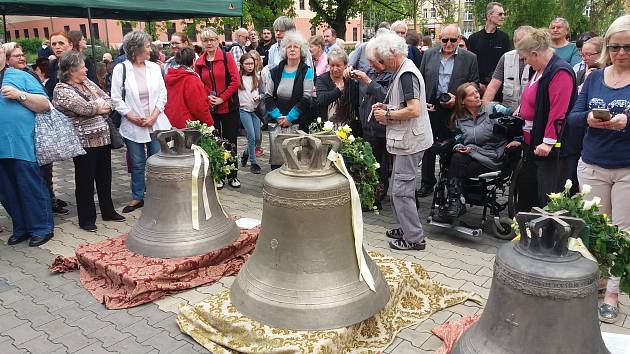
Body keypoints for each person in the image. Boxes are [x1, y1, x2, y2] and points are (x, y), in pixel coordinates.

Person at [567, 14, 630, 324]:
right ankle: (600, 279)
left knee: (621, 233)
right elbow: (574, 116)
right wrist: (590, 119)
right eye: (616, 46)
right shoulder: (593, 77)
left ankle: (613, 294)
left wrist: (627, 122)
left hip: (627, 169)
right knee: (595, 229)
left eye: (628, 47)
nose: (621, 53)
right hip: (592, 163)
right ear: (607, 47)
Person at [368, 32, 433, 251]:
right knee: (399, 186)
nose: (381, 64)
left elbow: (413, 109)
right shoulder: (402, 70)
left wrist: (387, 116)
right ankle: (405, 227)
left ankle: (414, 238)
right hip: (405, 140)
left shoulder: (406, 73)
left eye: (382, 59)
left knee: (401, 190)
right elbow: (405, 105)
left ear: (393, 53)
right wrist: (387, 107)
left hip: (409, 142)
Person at [52, 51, 125, 232]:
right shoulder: (61, 89)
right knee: (85, 181)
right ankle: (86, 219)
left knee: (105, 177)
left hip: (103, 138)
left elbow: (109, 101)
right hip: (83, 142)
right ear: (71, 70)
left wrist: (98, 107)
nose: (86, 69)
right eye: (82, 66)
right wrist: (97, 106)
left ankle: (108, 211)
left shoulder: (87, 83)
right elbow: (84, 108)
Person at [514, 28, 579, 212]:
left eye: (525, 58)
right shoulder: (539, 70)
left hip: (549, 151)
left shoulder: (560, 72)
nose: (525, 63)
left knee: (544, 199)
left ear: (535, 54)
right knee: (526, 194)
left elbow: (559, 112)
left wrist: (548, 142)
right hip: (531, 143)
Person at [111, 30, 172, 213]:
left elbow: (163, 94)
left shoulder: (154, 67)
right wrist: (131, 116)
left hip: (156, 122)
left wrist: (153, 115)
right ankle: (137, 196)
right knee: (137, 162)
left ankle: (158, 194)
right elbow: (115, 98)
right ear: (136, 48)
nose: (150, 49)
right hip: (133, 124)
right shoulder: (120, 69)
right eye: (147, 45)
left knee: (157, 160)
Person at [0, 45, 55, 247]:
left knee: (30, 186)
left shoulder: (21, 76)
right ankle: (21, 228)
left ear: (4, 57)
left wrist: (19, 95)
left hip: (22, 143)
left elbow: (44, 104)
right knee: (7, 192)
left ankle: (41, 228)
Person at [417, 24, 479, 198]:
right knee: (428, 145)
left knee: (452, 145)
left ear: (459, 39)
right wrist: (422, 103)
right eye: (445, 40)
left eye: (453, 40)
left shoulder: (469, 58)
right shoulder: (429, 55)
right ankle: (427, 183)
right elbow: (420, 80)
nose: (449, 44)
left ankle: (451, 184)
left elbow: (474, 82)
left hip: (455, 108)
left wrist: (457, 98)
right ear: (440, 39)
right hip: (432, 106)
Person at [444, 83, 513, 217]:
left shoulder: (493, 108)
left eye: (476, 92)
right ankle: (456, 200)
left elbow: (516, 119)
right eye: (472, 94)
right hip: (473, 154)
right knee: (455, 157)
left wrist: (518, 139)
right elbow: (458, 139)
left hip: (493, 156)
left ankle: (456, 199)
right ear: (462, 101)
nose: (477, 95)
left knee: (456, 167)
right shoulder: (460, 119)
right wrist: (459, 147)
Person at [349, 29, 395, 208]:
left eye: (372, 62)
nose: (369, 65)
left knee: (383, 165)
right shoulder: (374, 72)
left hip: (384, 127)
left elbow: (387, 97)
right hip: (369, 125)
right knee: (371, 162)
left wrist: (368, 81)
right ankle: (371, 196)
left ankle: (378, 197)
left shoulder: (392, 74)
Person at [195, 27, 242, 189]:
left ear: (217, 41)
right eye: (205, 40)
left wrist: (222, 97)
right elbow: (198, 84)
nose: (209, 43)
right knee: (214, 141)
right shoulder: (200, 62)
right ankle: (218, 175)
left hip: (229, 106)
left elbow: (235, 81)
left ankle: (233, 175)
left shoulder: (227, 57)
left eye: (212, 40)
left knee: (230, 141)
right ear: (202, 43)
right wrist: (208, 97)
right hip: (211, 108)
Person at [264, 31, 314, 170]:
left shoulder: (306, 71)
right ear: (284, 50)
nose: (292, 49)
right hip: (278, 121)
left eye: (296, 47)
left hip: (299, 121)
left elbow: (307, 97)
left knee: (297, 161)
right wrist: (278, 116)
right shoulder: (274, 72)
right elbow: (268, 96)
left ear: (301, 50)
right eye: (289, 46)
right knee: (278, 160)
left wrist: (290, 117)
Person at [43, 31, 73, 215]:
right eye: (54, 44)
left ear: (70, 44)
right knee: (51, 163)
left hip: (78, 119)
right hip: (59, 121)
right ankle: (51, 198)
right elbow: (49, 89)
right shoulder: (53, 64)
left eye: (61, 43)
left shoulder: (82, 62)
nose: (57, 47)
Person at [482, 26, 535, 111]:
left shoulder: (538, 59)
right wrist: (484, 109)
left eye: (524, 42)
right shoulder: (506, 57)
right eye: (517, 42)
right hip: (507, 114)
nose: (520, 45)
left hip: (530, 114)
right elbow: (493, 86)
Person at [467, 2, 511, 94]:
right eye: (500, 14)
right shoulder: (474, 38)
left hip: (499, 88)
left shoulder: (504, 38)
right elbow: (470, 65)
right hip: (478, 89)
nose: (503, 17)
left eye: (504, 14)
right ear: (489, 15)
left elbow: (508, 64)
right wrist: (478, 84)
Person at [164, 47, 213, 129]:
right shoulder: (192, 79)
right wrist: (209, 123)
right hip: (188, 126)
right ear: (194, 61)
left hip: (170, 122)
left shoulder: (169, 76)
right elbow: (199, 106)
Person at [315, 48, 358, 126]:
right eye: (332, 65)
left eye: (338, 65)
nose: (335, 69)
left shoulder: (350, 80)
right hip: (326, 125)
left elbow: (355, 103)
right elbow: (322, 100)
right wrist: (339, 90)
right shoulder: (322, 79)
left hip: (347, 126)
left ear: (345, 65)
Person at [238, 53, 263, 174]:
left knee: (257, 138)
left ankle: (246, 153)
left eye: (252, 63)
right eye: (247, 64)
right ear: (242, 65)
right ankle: (253, 162)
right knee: (251, 136)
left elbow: (264, 92)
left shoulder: (257, 77)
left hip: (255, 111)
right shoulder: (238, 78)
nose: (250, 66)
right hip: (244, 110)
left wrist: (260, 96)